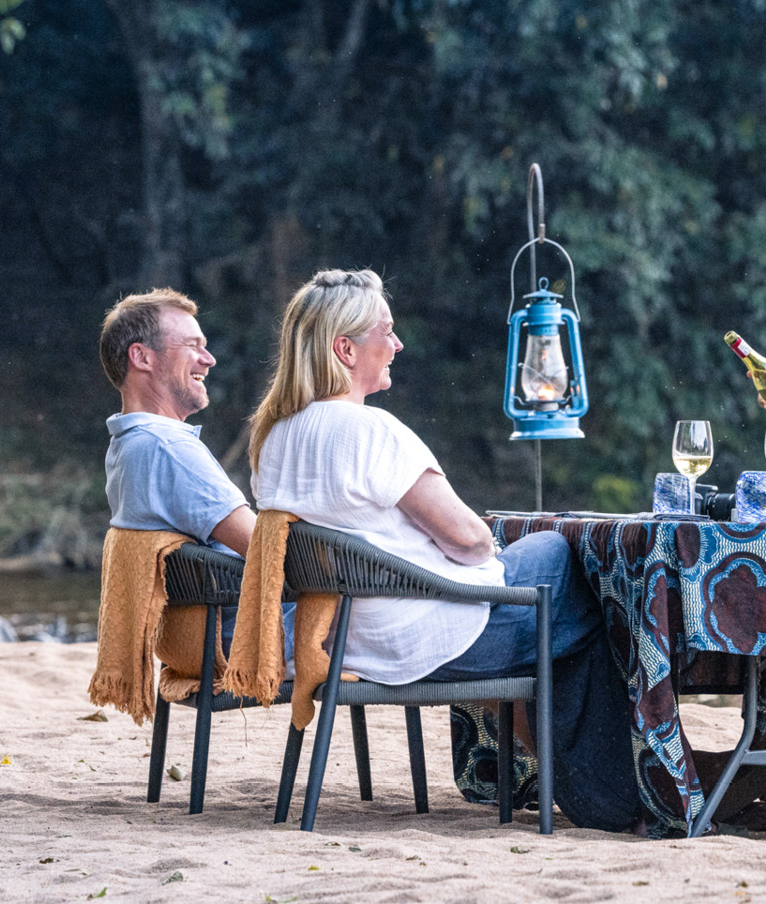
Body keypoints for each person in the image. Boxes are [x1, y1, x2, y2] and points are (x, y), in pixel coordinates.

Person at [246, 268, 641, 832]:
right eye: (387, 330)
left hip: (347, 637)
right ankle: (619, 791)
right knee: (559, 559)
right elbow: (470, 537)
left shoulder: (274, 438)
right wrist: (481, 557)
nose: (398, 344)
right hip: (428, 636)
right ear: (345, 349)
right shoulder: (369, 431)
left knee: (557, 606)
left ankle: (555, 773)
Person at [99, 289, 261, 651]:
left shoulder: (127, 444)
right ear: (141, 356)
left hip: (196, 643)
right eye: (193, 345)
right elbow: (266, 549)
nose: (209, 359)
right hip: (254, 638)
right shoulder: (169, 449)